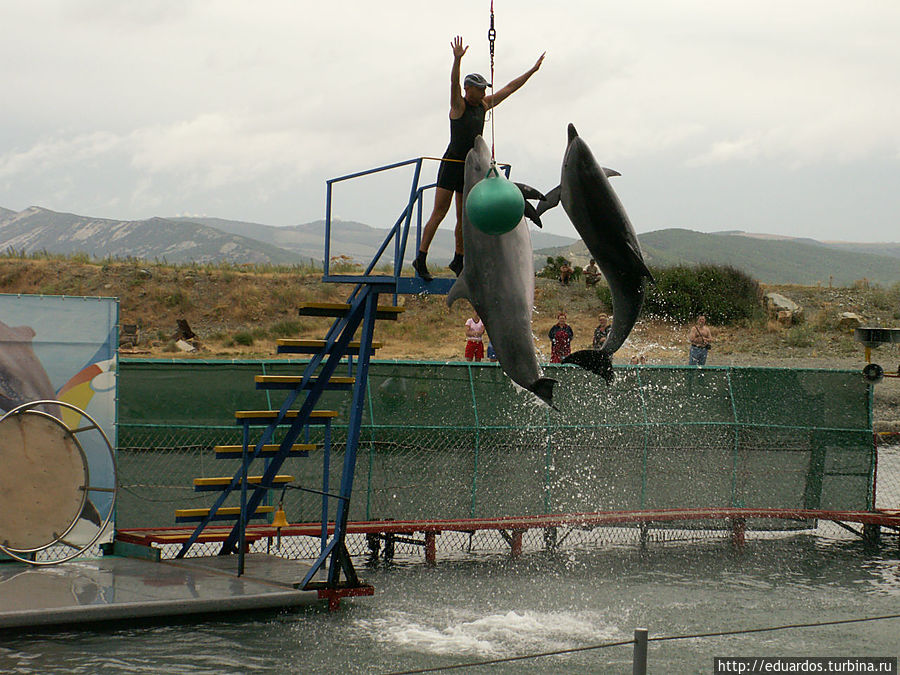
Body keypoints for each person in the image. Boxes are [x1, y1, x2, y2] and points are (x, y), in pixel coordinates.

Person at [412, 36, 545, 282]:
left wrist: (533, 71)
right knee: (439, 212)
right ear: (468, 89)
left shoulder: (483, 105)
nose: (484, 91)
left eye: (485, 88)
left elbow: (510, 88)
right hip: (451, 164)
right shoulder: (459, 105)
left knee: (464, 215)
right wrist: (457, 60)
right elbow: (453, 83)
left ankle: (458, 259)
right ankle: (420, 258)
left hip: (469, 167)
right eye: (480, 88)